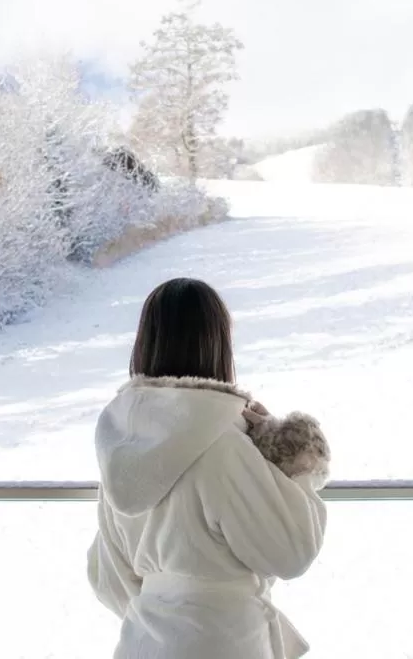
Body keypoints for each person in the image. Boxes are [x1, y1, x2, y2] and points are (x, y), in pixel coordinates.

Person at [87, 277, 330, 659]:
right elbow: (291, 551)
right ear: (217, 344)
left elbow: (107, 577)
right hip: (223, 640)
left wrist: (165, 604)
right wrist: (297, 467)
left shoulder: (122, 445)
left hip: (144, 641)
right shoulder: (221, 443)